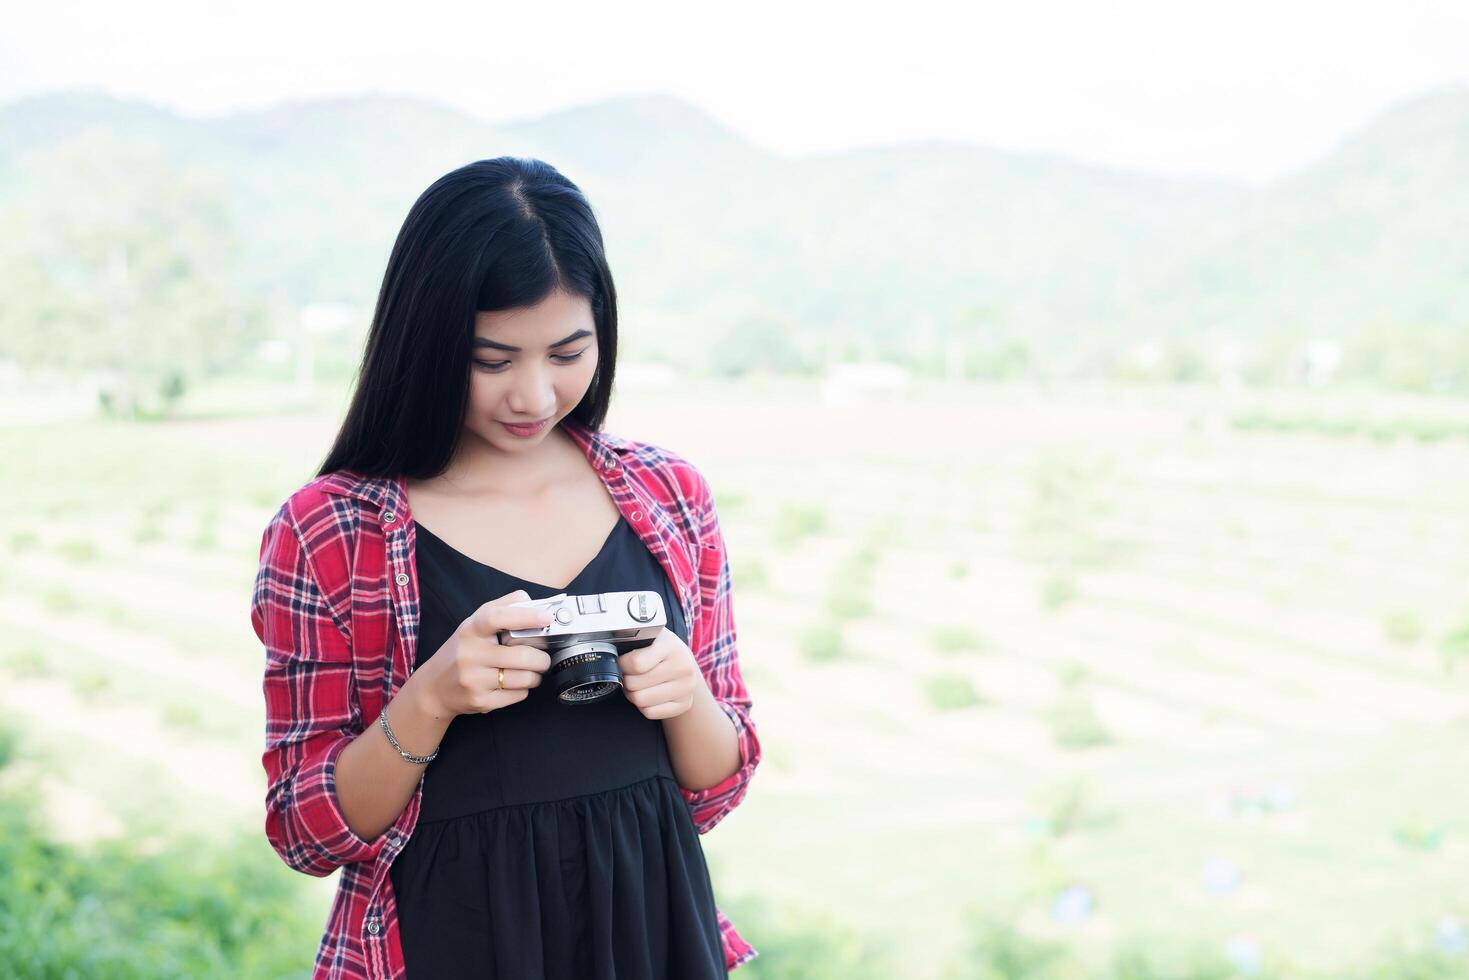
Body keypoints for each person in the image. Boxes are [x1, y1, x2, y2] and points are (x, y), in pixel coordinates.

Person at [250, 157, 761, 979]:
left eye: (567, 353)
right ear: (425, 342)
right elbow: (304, 831)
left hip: (649, 930)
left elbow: (712, 790)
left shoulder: (668, 494)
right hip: (451, 940)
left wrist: (687, 697)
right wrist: (432, 697)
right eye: (492, 361)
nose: (533, 395)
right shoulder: (329, 530)